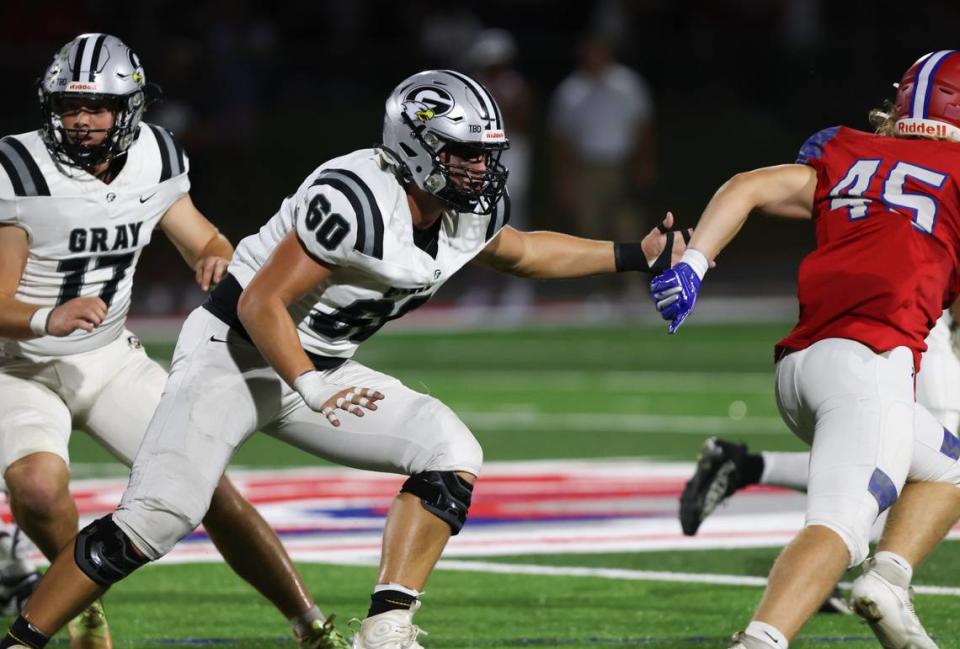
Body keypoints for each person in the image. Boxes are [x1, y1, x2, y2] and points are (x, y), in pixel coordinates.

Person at [0, 68, 689, 649]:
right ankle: (22, 639)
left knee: (449, 447)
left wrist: (635, 254)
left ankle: (385, 627)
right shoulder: (356, 195)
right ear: (416, 146)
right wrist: (308, 382)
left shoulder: (461, 207)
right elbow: (260, 303)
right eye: (461, 152)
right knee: (158, 514)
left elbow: (523, 251)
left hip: (320, 364)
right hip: (234, 356)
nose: (479, 167)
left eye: (484, 153)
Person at [0, 34, 349, 649]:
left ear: (129, 108)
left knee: (205, 486)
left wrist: (215, 259)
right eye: (68, 107)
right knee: (36, 486)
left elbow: (202, 238)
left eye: (96, 108)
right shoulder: (20, 170)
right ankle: (85, 608)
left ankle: (309, 625)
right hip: (17, 367)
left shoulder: (155, 156)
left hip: (108, 358)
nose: (79, 121)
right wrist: (43, 319)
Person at [650, 50, 960, 649]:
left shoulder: (847, 149)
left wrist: (692, 265)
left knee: (949, 467)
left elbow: (747, 187)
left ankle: (890, 582)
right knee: (840, 529)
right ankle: (760, 641)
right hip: (869, 364)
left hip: (800, 370)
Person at [549, 31, 656, 301]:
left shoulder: (627, 84)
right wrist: (564, 177)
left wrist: (644, 163)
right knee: (591, 230)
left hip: (621, 164)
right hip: (587, 168)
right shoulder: (571, 90)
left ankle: (633, 286)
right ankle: (599, 290)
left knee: (628, 226)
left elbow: (642, 126)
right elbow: (562, 138)